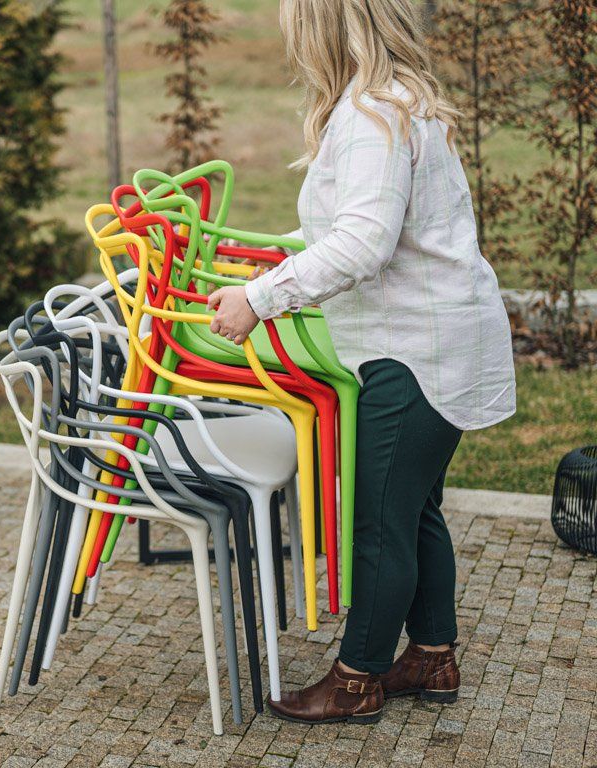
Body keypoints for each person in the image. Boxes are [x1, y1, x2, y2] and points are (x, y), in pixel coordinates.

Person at [206, 0, 516, 724]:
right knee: (415, 510)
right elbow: (354, 226)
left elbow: (364, 244)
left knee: (379, 520)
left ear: (325, 26)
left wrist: (261, 299)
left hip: (415, 352)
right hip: (433, 341)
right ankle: (432, 657)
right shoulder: (394, 103)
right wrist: (268, 264)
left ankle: (357, 680)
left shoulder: (372, 115)